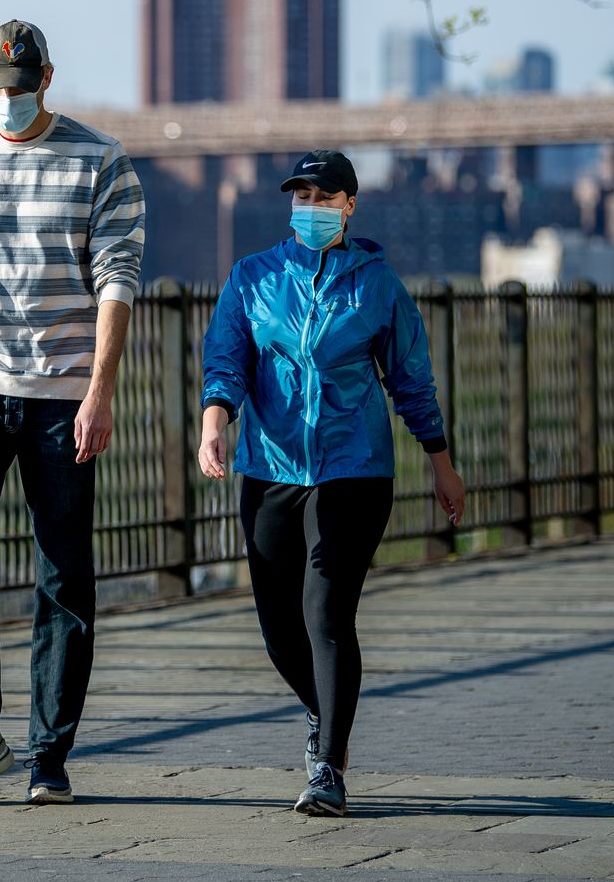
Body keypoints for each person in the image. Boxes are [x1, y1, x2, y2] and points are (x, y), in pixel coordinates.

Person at [0, 20, 146, 805]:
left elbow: (117, 278)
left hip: (62, 392)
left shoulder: (100, 158)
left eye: (20, 88)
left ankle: (49, 752)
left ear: (47, 78)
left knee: (63, 571)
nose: (6, 102)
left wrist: (100, 391)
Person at [197, 149, 465, 817]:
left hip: (355, 469)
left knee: (325, 612)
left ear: (350, 206)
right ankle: (328, 714)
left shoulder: (377, 284)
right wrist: (213, 424)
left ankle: (330, 769)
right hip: (270, 470)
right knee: (278, 630)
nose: (311, 206)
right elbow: (226, 361)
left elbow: (411, 380)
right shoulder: (253, 278)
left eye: (324, 196)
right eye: (302, 195)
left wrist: (440, 463)